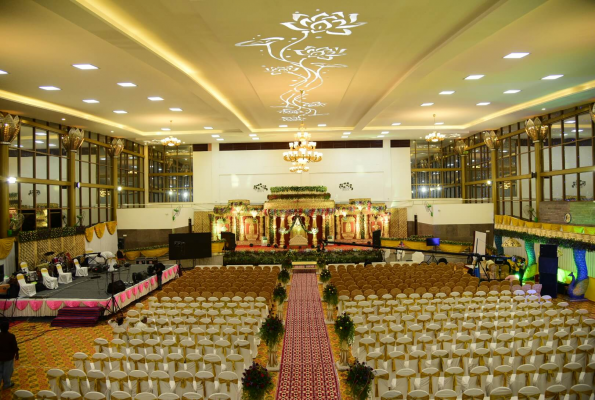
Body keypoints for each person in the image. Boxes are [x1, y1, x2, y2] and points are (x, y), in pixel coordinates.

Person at [0, 320, 19, 390]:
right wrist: (17, 354)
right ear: (8, 328)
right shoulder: (11, 336)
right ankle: (7, 384)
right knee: (7, 371)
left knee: (0, 371)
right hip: (8, 357)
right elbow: (14, 346)